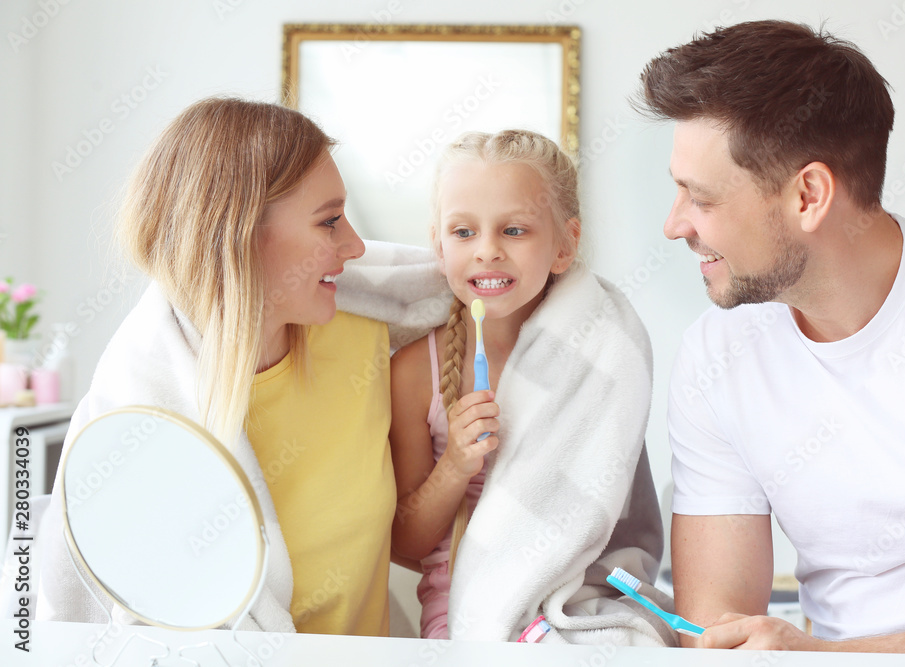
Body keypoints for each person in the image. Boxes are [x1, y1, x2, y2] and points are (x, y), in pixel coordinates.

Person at [636, 19, 905, 653]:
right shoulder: (717, 354)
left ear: (808, 195)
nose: (674, 226)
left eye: (702, 199)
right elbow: (717, 619)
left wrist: (833, 659)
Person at [37, 97, 449, 635]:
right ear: (238, 233)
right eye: (329, 221)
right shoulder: (140, 414)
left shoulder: (366, 339)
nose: (353, 245)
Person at [388, 129, 672, 644]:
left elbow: (603, 505)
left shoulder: (600, 357)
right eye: (463, 232)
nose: (487, 251)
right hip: (462, 611)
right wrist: (454, 464)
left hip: (578, 594)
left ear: (565, 246)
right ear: (438, 245)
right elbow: (404, 539)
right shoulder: (412, 373)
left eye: (514, 231)